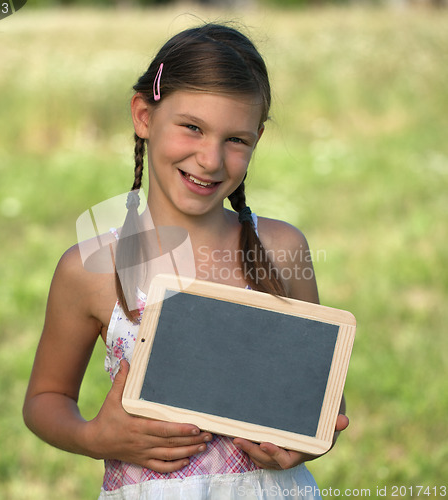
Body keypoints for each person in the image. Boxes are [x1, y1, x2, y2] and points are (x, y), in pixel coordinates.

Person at [23, 23, 349, 499]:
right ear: (143, 115)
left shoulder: (283, 250)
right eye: (192, 127)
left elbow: (325, 398)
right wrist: (95, 437)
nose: (211, 158)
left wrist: (308, 442)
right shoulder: (90, 267)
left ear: (257, 139)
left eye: (237, 139)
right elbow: (44, 400)